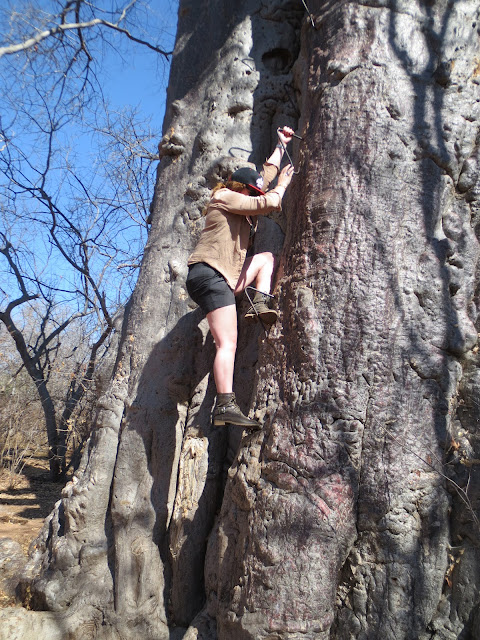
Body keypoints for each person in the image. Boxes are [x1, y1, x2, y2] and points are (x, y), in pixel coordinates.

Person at [186, 126, 295, 430]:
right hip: (210, 272)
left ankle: (259, 304)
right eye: (250, 192)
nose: (252, 197)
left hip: (225, 275)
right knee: (228, 342)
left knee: (265, 259)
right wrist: (282, 186)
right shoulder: (224, 196)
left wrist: (281, 145)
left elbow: (264, 177)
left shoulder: (242, 197)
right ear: (240, 188)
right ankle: (224, 406)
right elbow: (266, 201)